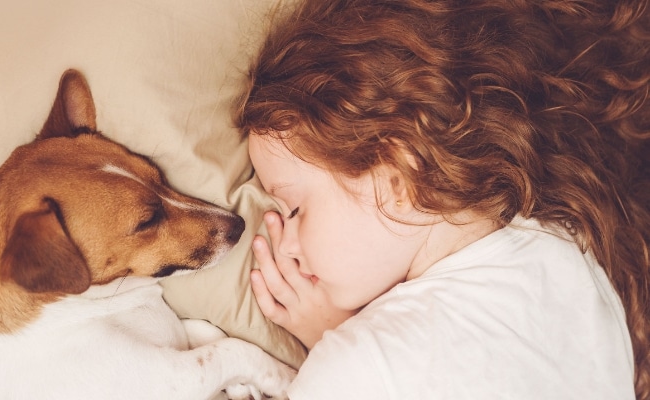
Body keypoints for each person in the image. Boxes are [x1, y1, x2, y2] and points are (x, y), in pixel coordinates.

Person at [236, 0, 650, 398]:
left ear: (397, 179)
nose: (285, 244)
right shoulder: (568, 244)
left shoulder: (359, 369)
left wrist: (335, 344)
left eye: (294, 209)